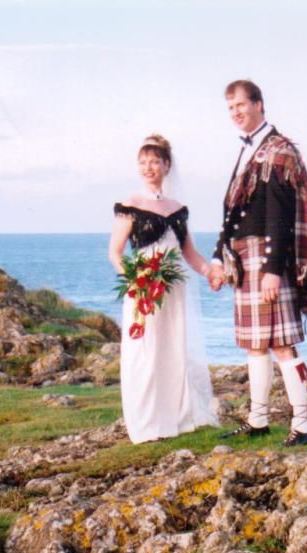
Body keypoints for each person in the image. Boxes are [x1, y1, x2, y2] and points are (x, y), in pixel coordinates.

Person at [209, 80, 307, 447]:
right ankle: (258, 419)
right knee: (255, 344)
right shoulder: (249, 150)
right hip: (244, 257)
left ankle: (302, 425)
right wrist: (219, 256)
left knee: (282, 344)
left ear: (259, 104)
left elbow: (281, 216)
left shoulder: (279, 150)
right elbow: (233, 213)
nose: (235, 112)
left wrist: (272, 270)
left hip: (266, 258)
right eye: (230, 107)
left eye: (240, 105)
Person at [109, 134, 218, 444]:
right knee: (144, 352)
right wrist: (136, 281)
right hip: (143, 289)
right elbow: (115, 252)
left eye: (154, 162)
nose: (148, 167)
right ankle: (146, 422)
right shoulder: (130, 205)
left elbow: (190, 254)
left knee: (173, 349)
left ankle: (177, 416)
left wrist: (210, 272)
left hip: (174, 289)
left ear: (166, 165)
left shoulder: (178, 209)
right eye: (143, 162)